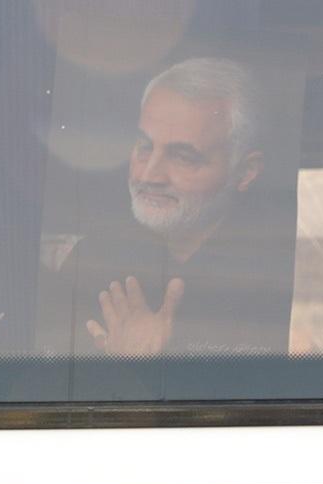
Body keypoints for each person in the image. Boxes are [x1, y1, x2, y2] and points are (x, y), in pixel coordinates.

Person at [49, 58, 296, 359]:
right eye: (144, 146)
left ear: (245, 172)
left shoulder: (272, 281)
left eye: (182, 157)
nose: (149, 176)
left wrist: (144, 364)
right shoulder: (90, 261)